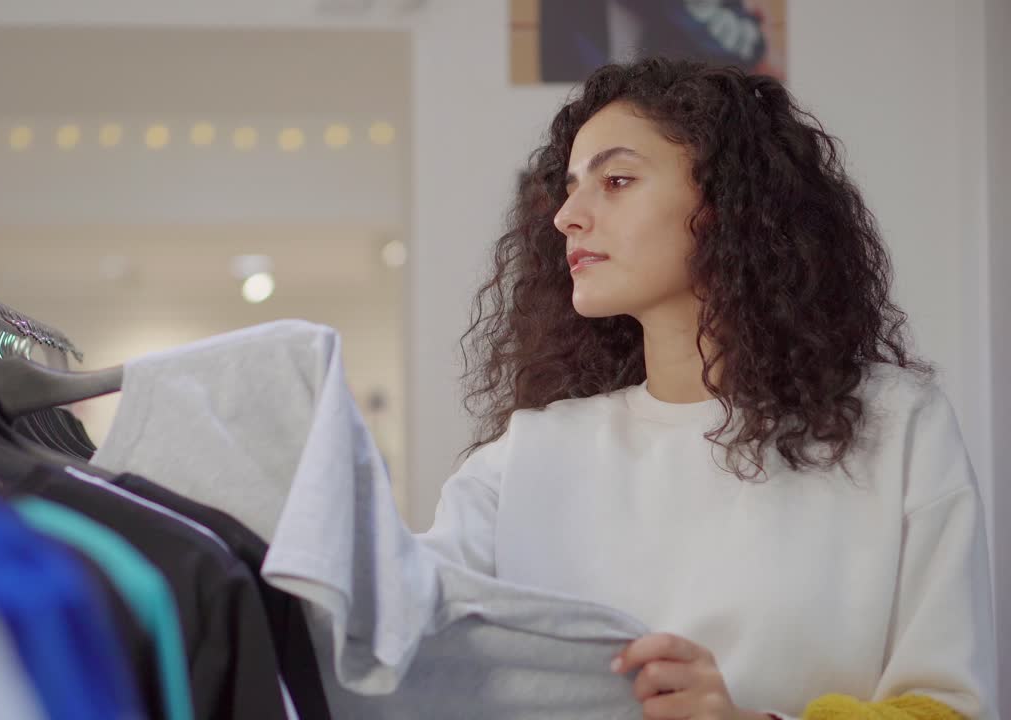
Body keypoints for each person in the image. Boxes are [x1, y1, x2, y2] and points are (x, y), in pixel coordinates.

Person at [420, 58, 997, 719]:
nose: (567, 217)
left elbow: (954, 706)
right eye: (571, 187)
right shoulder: (522, 458)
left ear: (727, 204)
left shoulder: (894, 426)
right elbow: (396, 630)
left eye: (616, 180)